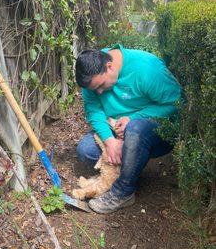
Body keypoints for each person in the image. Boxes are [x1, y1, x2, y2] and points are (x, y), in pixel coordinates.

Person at [75, 43, 182, 214]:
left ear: (109, 67)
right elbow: (94, 110)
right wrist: (109, 141)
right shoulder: (90, 74)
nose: (100, 92)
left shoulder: (147, 69)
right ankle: (123, 170)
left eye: (101, 86)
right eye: (96, 90)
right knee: (86, 150)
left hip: (151, 131)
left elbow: (176, 102)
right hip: (116, 130)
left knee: (135, 129)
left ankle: (123, 191)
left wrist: (133, 118)